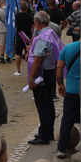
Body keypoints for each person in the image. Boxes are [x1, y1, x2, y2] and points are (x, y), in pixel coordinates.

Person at [27, 11, 63, 145]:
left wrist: (31, 79)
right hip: (50, 71)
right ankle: (48, 131)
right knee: (48, 104)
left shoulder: (42, 37)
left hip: (41, 74)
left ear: (37, 22)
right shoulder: (51, 32)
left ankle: (44, 136)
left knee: (42, 106)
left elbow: (38, 59)